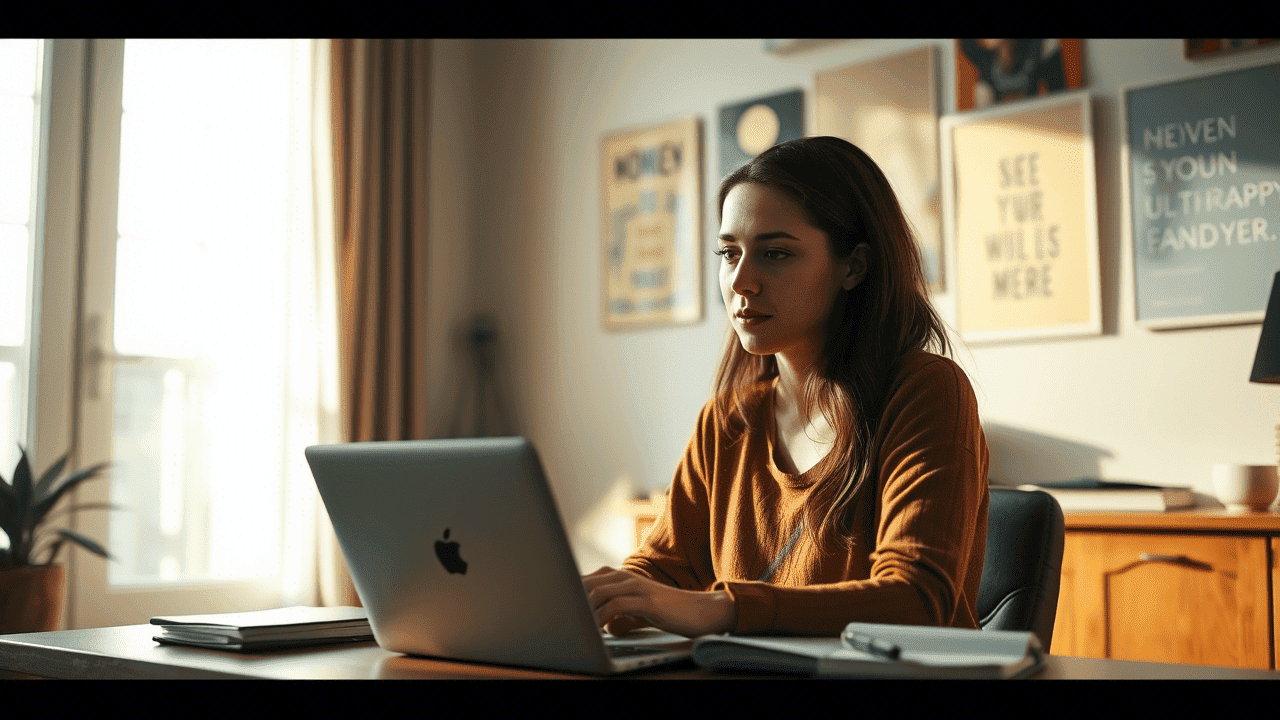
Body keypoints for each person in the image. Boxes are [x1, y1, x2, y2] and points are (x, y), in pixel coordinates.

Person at [583, 136, 989, 638]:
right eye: (729, 253)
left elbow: (914, 601)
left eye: (774, 254)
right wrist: (604, 598)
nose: (741, 282)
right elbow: (662, 570)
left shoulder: (927, 391)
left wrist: (717, 610)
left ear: (854, 266)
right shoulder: (727, 420)